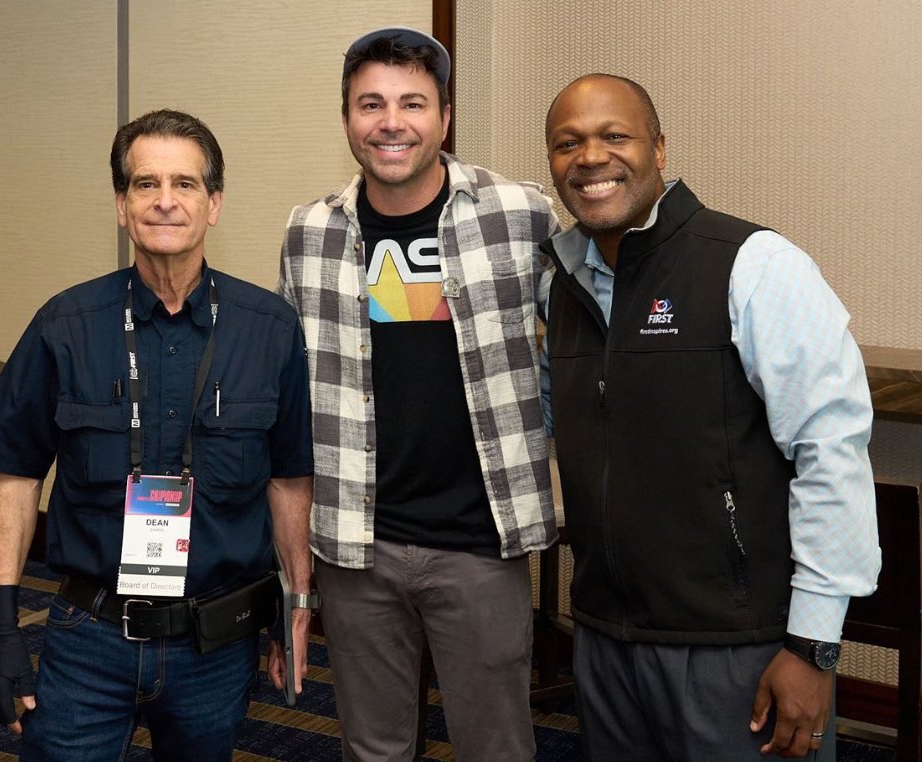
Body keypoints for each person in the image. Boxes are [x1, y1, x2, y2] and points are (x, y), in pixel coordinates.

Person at [539, 74, 882, 761]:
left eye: (615, 136)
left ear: (660, 150)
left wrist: (812, 647)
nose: (590, 158)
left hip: (735, 645)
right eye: (567, 143)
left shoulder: (753, 265)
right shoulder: (563, 286)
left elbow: (831, 451)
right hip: (607, 638)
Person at [0, 109, 315, 761]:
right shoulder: (65, 325)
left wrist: (296, 603)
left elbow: (289, 476)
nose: (165, 201)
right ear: (122, 206)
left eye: (184, 184)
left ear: (214, 204)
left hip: (214, 643)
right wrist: (1, 626)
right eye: (145, 184)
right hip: (89, 638)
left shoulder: (270, 329)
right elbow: (13, 474)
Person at [277, 27, 558, 762]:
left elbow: (582, 345)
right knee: (373, 749)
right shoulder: (308, 231)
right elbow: (292, 394)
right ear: (346, 120)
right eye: (370, 104)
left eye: (412, 103)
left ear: (445, 115)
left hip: (480, 543)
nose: (390, 122)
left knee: (496, 747)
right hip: (356, 545)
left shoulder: (518, 212)